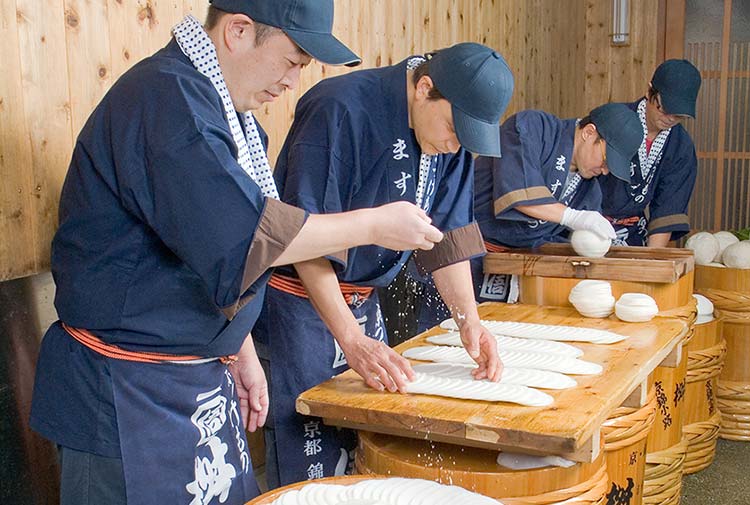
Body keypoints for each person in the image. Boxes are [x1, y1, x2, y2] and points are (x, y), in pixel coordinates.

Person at [29, 2, 446, 504]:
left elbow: (205, 251)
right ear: (239, 31)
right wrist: (374, 224)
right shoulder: (165, 98)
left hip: (199, 377)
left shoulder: (232, 116)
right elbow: (243, 236)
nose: (293, 81)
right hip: (126, 388)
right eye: (292, 60)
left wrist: (239, 348)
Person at [251, 42, 514, 488]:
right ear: (424, 88)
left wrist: (469, 322)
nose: (455, 144)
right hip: (303, 304)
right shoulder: (339, 108)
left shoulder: (451, 140)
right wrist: (350, 338)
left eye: (466, 138)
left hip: (365, 301)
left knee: (371, 439)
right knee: (310, 451)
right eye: (454, 128)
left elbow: (446, 238)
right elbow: (302, 236)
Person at [417, 103, 644, 330]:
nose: (604, 170)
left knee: (493, 342)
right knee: (441, 336)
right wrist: (572, 217)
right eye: (605, 160)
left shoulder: (589, 192)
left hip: (511, 269)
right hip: (462, 254)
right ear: (589, 132)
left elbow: (561, 244)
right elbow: (520, 193)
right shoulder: (532, 128)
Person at [599, 59, 701, 247]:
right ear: (649, 92)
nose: (670, 118)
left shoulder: (681, 147)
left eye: (679, 115)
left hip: (632, 232)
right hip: (589, 223)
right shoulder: (615, 120)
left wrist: (652, 259)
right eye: (665, 109)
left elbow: (667, 207)